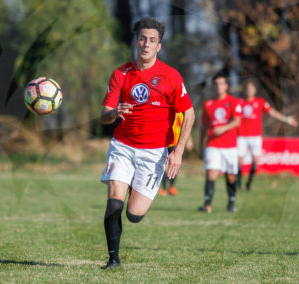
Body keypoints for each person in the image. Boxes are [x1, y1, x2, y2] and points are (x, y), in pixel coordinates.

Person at [100, 17, 195, 269]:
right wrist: (114, 112)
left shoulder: (171, 76)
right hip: (123, 146)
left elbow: (190, 113)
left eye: (152, 40)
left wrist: (178, 152)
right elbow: (104, 115)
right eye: (142, 38)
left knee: (133, 215)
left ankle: (133, 187)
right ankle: (113, 260)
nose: (146, 44)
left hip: (154, 153)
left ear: (158, 46)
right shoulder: (121, 73)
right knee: (114, 202)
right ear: (136, 41)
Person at [236, 79, 298, 191]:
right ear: (244, 90)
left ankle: (249, 183)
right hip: (242, 135)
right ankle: (239, 183)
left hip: (255, 136)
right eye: (247, 88)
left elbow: (272, 113)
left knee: (255, 160)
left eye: (251, 88)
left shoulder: (260, 102)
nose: (249, 91)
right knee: (239, 160)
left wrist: (286, 119)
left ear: (254, 90)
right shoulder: (239, 102)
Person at [198, 73, 242, 213]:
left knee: (230, 175)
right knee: (211, 173)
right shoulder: (208, 104)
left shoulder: (233, 101)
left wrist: (223, 128)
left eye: (221, 83)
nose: (218, 86)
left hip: (230, 145)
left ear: (226, 86)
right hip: (213, 145)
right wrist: (200, 145)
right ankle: (207, 204)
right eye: (216, 84)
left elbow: (237, 121)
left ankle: (231, 202)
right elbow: (203, 127)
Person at [159, 112, 192, 196]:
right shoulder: (166, 111)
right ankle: (163, 188)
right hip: (165, 143)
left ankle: (172, 187)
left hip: (175, 143)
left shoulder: (180, 114)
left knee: (174, 165)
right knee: (165, 166)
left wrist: (189, 140)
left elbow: (186, 127)